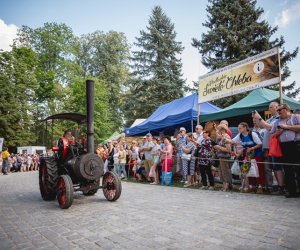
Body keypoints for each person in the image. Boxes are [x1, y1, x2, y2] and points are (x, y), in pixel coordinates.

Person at [269, 104, 300, 198]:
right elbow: (272, 134)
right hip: (284, 146)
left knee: (298, 168)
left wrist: (286, 127)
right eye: (277, 110)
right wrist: (277, 133)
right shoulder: (277, 121)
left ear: (286, 109)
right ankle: (292, 191)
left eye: (280, 110)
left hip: (296, 144)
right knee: (287, 169)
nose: (278, 112)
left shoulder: (296, 117)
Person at [253, 102, 284, 194]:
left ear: (276, 107)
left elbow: (269, 127)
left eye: (271, 107)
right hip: (268, 147)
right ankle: (279, 186)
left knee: (278, 167)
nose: (269, 109)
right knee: (274, 168)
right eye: (269, 107)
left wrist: (259, 118)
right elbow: (262, 125)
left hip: (275, 146)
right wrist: (256, 117)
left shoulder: (278, 118)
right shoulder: (271, 118)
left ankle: (282, 187)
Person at [232, 122, 265, 193]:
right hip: (247, 156)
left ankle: (260, 186)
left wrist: (252, 148)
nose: (238, 129)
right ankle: (251, 186)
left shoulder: (252, 134)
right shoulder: (240, 135)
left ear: (245, 128)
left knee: (258, 170)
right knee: (248, 170)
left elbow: (260, 144)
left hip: (257, 155)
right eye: (238, 128)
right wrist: (225, 139)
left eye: (240, 128)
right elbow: (232, 141)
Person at [214, 125, 232, 192]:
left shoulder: (226, 137)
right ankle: (224, 185)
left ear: (222, 129)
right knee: (221, 172)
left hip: (225, 157)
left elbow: (228, 150)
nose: (217, 131)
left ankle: (226, 186)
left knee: (225, 172)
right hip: (220, 156)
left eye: (218, 129)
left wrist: (219, 147)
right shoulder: (221, 137)